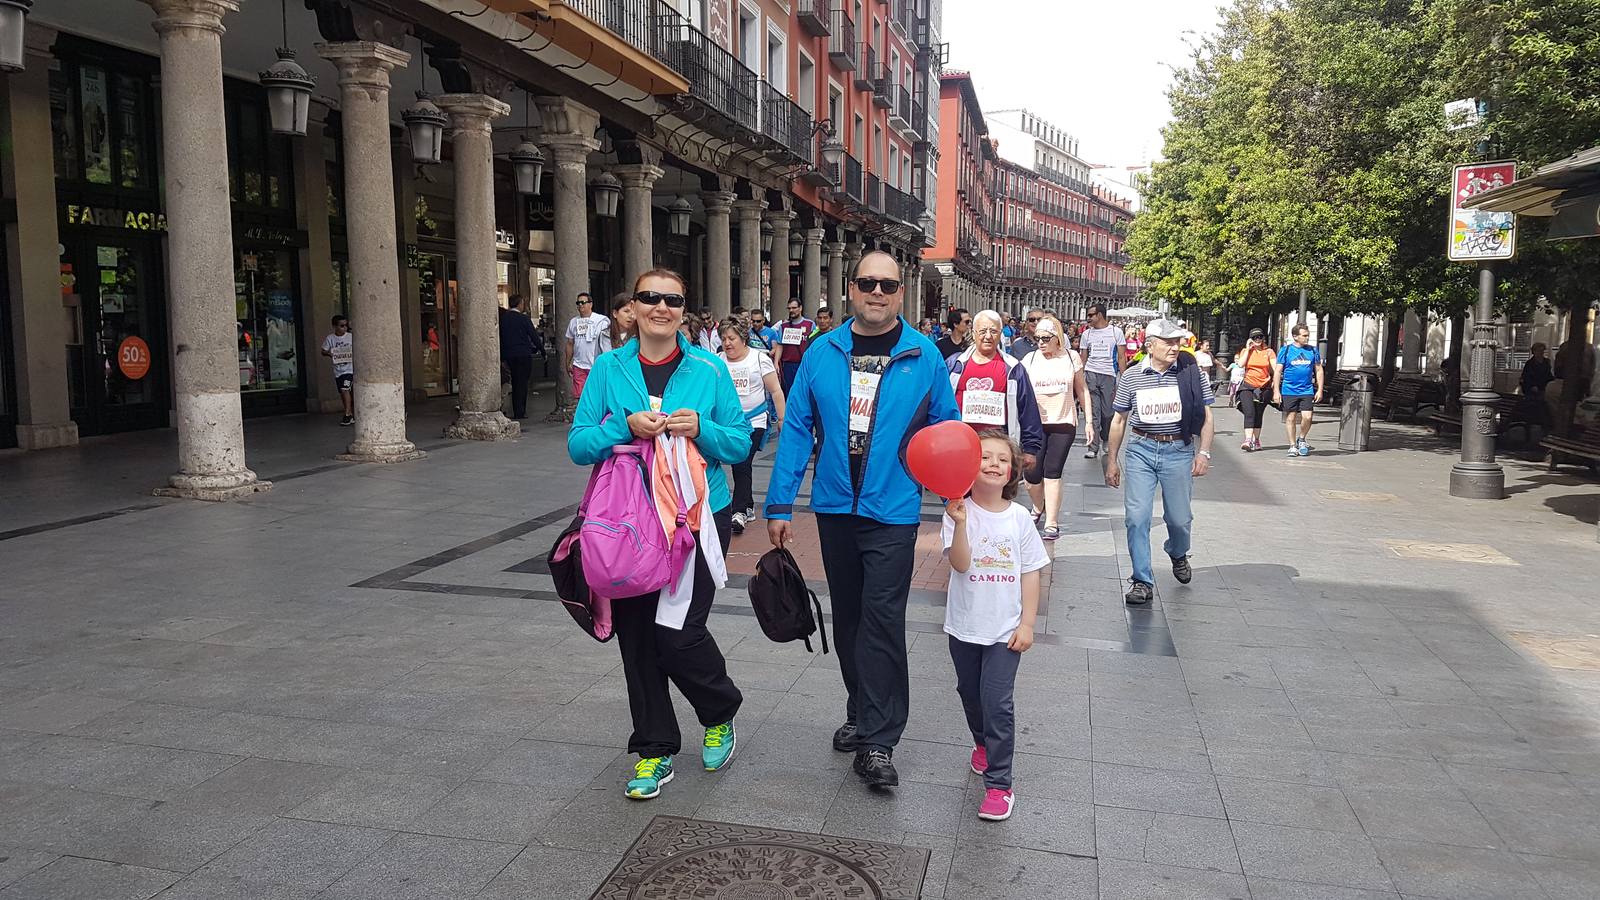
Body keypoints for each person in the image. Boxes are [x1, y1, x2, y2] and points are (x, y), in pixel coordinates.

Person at [764, 250, 960, 789]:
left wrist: (956, 497)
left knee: (882, 618)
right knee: (849, 617)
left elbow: (946, 430)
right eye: (868, 283)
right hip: (833, 507)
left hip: (892, 510)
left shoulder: (925, 356)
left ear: (902, 293)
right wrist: (779, 504)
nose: (878, 292)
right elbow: (797, 430)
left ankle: (879, 740)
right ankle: (862, 709)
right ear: (851, 289)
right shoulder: (822, 352)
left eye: (888, 285)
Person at [567, 268, 748, 801]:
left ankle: (719, 711)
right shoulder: (608, 367)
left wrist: (702, 430)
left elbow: (739, 443)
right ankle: (653, 748)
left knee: (679, 632)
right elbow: (579, 444)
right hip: (628, 520)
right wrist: (621, 428)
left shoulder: (709, 369)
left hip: (695, 517)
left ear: (684, 309)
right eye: (650, 298)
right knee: (639, 638)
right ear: (633, 307)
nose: (661, 307)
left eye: (672, 299)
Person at [943, 430, 1048, 823]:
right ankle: (981, 744)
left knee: (998, 704)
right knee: (969, 692)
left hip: (1005, 631)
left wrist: (1028, 624)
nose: (992, 464)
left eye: (1002, 459)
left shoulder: (1020, 518)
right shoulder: (957, 510)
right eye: (984, 457)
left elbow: (1032, 574)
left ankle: (1000, 785)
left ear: (1013, 471)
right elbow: (960, 563)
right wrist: (959, 524)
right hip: (964, 626)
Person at [1104, 318, 1215, 606]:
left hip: (1178, 450)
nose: (1175, 347)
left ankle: (1178, 552)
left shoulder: (1192, 372)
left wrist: (1204, 452)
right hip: (1140, 449)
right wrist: (1111, 460)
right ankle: (1142, 580)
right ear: (1149, 345)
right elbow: (1119, 420)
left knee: (1179, 519)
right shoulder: (1131, 376)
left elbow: (1206, 416)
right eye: (1168, 342)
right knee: (1137, 518)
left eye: (1178, 341)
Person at [1020, 315, 1092, 541]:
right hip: (1034, 423)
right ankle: (1038, 505)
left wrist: (1089, 421)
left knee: (1052, 472)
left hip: (1063, 422)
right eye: (1037, 337)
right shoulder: (1029, 360)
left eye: (1045, 338)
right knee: (1031, 475)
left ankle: (1052, 522)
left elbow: (1082, 390)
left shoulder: (1071, 358)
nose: (1040, 342)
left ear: (1057, 338)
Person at [946, 310, 1045, 472]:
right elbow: (939, 403)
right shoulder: (954, 365)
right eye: (983, 331)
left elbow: (1027, 408)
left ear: (1000, 334)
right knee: (959, 495)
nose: (988, 336)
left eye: (993, 331)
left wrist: (1030, 449)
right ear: (973, 333)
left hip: (998, 449)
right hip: (960, 446)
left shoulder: (1013, 368)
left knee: (992, 495)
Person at [718, 319, 785, 535]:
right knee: (739, 464)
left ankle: (738, 513)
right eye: (724, 339)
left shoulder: (759, 359)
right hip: (728, 422)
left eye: (732, 338)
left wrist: (782, 419)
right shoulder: (718, 361)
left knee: (741, 461)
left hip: (754, 421)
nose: (727, 343)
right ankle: (747, 504)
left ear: (743, 338)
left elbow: (775, 390)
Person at [1079, 303, 1126, 459]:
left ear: (1099, 315)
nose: (1088, 318)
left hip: (1109, 375)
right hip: (1091, 373)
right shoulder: (1087, 334)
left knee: (1107, 412)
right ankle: (1093, 446)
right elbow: (1083, 356)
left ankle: (1106, 438)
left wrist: (1124, 377)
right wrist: (1080, 376)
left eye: (1091, 315)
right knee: (1093, 413)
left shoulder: (1116, 332)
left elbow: (1121, 356)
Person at [1273, 323, 1323, 457]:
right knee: (1291, 417)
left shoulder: (1312, 350)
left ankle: (1301, 438)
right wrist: (1276, 391)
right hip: (1289, 390)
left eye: (1308, 335)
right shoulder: (1286, 350)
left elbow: (1318, 370)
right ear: (1295, 336)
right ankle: (1292, 445)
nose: (1307, 338)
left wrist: (1320, 389)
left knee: (1308, 416)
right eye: (1304, 335)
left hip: (1307, 389)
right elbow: (1278, 371)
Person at [563, 292, 610, 401]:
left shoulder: (601, 320)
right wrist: (568, 362)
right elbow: (570, 343)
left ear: (590, 304)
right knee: (580, 397)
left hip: (596, 365)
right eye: (578, 303)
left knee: (596, 396)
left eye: (583, 302)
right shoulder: (573, 322)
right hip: (579, 365)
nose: (580, 305)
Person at [1235, 328, 1275, 452]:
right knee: (1249, 412)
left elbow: (1275, 368)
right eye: (1254, 337)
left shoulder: (1269, 352)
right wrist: (1247, 348)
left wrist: (1275, 381)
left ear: (1263, 338)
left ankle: (1256, 440)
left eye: (1260, 337)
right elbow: (1241, 364)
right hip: (1248, 385)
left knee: (1258, 413)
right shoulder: (1246, 351)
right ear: (1250, 339)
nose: (1257, 340)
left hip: (1263, 387)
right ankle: (1248, 440)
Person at [498, 295, 537, 419]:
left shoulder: (504, 319)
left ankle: (516, 408)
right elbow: (533, 335)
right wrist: (541, 350)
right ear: (520, 304)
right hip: (523, 354)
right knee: (522, 383)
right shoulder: (523, 318)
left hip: (509, 354)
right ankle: (520, 411)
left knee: (514, 381)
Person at [773, 299, 816, 395]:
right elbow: (780, 345)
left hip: (804, 364)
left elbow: (814, 345)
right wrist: (776, 363)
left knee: (805, 391)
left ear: (800, 308)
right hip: (788, 365)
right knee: (789, 391)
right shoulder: (783, 326)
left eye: (794, 308)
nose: (791, 310)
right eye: (789, 308)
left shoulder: (810, 324)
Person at [320, 315, 354, 426]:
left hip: (349, 369)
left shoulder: (351, 337)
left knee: (345, 389)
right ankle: (349, 412)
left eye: (346, 325)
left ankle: (347, 414)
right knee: (342, 392)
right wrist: (331, 354)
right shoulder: (330, 338)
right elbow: (323, 350)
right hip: (338, 370)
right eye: (342, 326)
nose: (344, 328)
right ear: (335, 326)